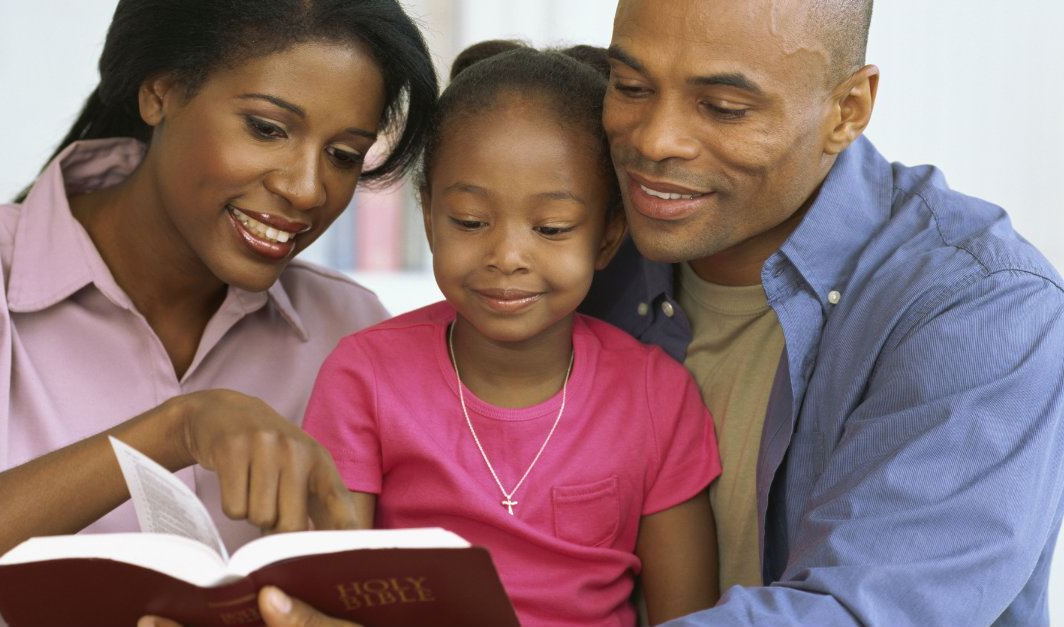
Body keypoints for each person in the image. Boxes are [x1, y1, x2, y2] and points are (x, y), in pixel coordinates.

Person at [0, 1, 437, 624]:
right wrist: (171, 432)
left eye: (344, 155)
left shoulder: (347, 331)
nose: (306, 189)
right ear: (159, 91)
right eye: (267, 129)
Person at [577, 0, 1064, 624]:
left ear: (847, 110)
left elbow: (857, 614)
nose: (654, 140)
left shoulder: (981, 307)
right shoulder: (573, 243)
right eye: (631, 86)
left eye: (724, 108)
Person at [301, 42, 721, 626]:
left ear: (606, 237)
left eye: (551, 228)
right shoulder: (364, 376)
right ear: (428, 217)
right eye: (471, 222)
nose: (506, 256)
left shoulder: (657, 397)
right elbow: (326, 596)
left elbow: (691, 618)